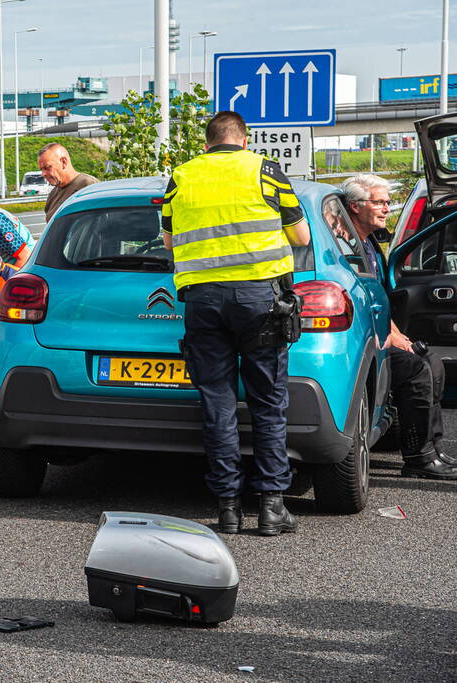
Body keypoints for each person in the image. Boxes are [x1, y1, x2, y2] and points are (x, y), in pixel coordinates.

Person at [161, 110, 312, 537]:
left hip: (203, 300)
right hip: (259, 300)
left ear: (206, 143)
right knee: (268, 401)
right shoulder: (266, 171)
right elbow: (301, 237)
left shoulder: (182, 177)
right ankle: (271, 507)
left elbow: (169, 241)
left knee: (217, 402)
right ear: (244, 140)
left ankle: (228, 508)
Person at [340, 174, 456, 479]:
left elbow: (378, 296)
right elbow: (362, 300)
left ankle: (434, 449)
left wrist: (397, 333)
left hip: (379, 331)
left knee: (433, 363)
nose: (386, 209)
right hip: (361, 341)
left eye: (387, 202)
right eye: (378, 202)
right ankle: (418, 458)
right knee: (416, 370)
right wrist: (390, 337)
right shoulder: (344, 245)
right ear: (355, 206)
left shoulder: (368, 244)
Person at [37, 142, 99, 222]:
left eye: (47, 167)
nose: (43, 174)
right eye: (41, 169)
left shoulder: (88, 186)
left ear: (64, 162)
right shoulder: (53, 194)